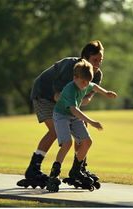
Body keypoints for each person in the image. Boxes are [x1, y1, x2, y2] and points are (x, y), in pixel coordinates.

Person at [24, 41, 104, 181]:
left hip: (62, 100)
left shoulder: (95, 75)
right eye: (94, 60)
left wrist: (79, 106)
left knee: (81, 128)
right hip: (44, 94)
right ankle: (33, 169)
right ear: (84, 58)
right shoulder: (70, 67)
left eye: (100, 60)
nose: (97, 64)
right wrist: (74, 108)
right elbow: (57, 96)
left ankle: (78, 169)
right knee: (55, 130)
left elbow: (87, 98)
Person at [46, 59, 117, 192]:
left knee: (87, 141)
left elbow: (94, 86)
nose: (85, 85)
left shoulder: (86, 83)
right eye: (83, 81)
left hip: (73, 116)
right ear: (75, 77)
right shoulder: (70, 89)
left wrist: (106, 92)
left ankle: (76, 171)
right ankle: (54, 175)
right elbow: (74, 110)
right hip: (61, 115)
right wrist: (92, 122)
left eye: (87, 82)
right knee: (66, 144)